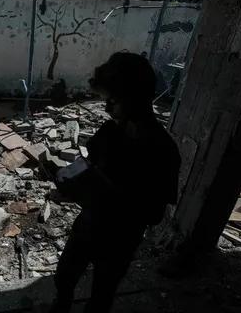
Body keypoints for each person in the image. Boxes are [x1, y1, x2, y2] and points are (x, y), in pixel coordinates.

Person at [49, 52, 181, 313]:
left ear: (136, 98)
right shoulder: (109, 133)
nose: (107, 109)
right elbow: (89, 167)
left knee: (103, 293)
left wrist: (119, 200)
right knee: (64, 276)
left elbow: (155, 214)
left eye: (113, 101)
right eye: (105, 101)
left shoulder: (162, 150)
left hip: (121, 237)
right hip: (89, 225)